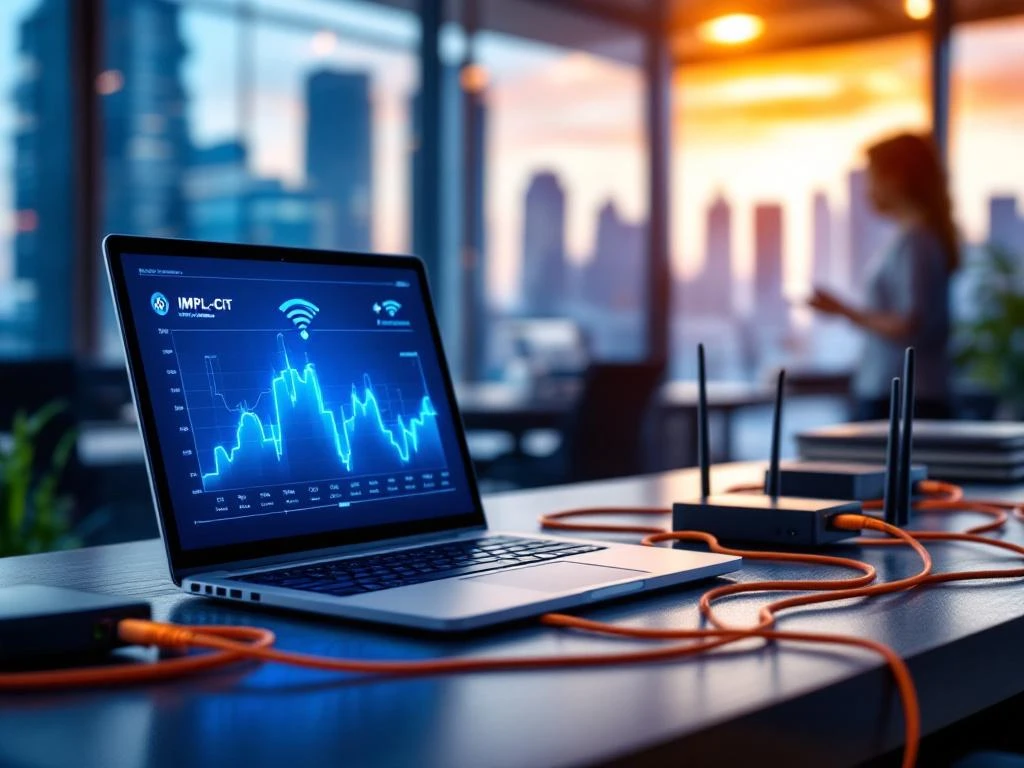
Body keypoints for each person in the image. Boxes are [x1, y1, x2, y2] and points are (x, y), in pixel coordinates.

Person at [809, 132, 959, 420]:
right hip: (901, 395)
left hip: (906, 400)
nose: (868, 191)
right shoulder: (914, 239)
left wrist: (844, 311)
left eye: (872, 178)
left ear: (897, 178)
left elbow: (910, 322)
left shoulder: (917, 241)